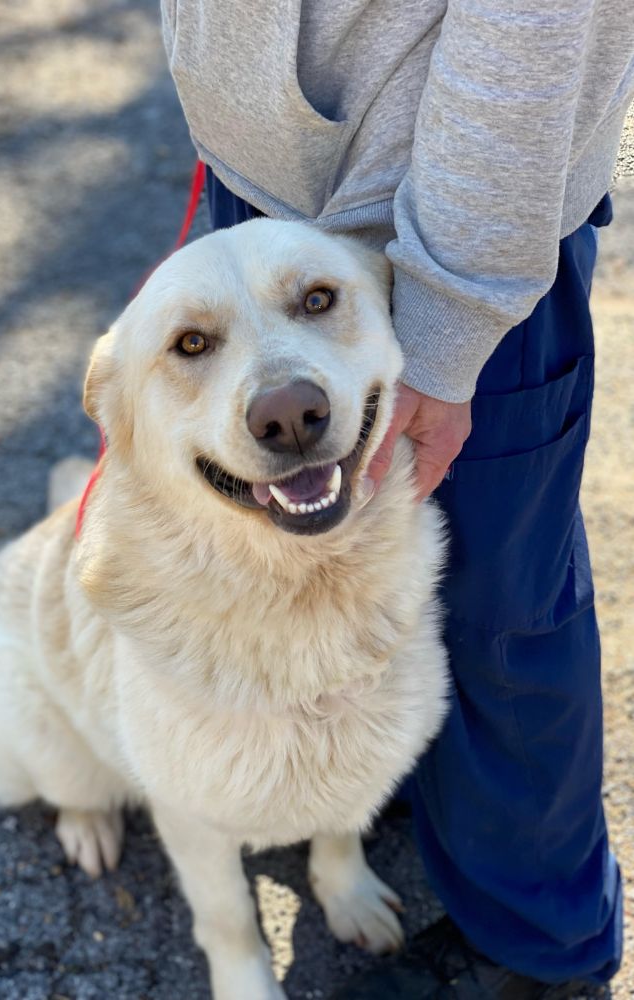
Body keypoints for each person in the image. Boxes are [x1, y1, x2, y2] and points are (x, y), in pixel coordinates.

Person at [159, 2, 633, 996]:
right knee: (310, 555)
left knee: (494, 602)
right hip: (273, 192)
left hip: (459, 223)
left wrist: (451, 311)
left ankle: (534, 947)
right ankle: (409, 782)